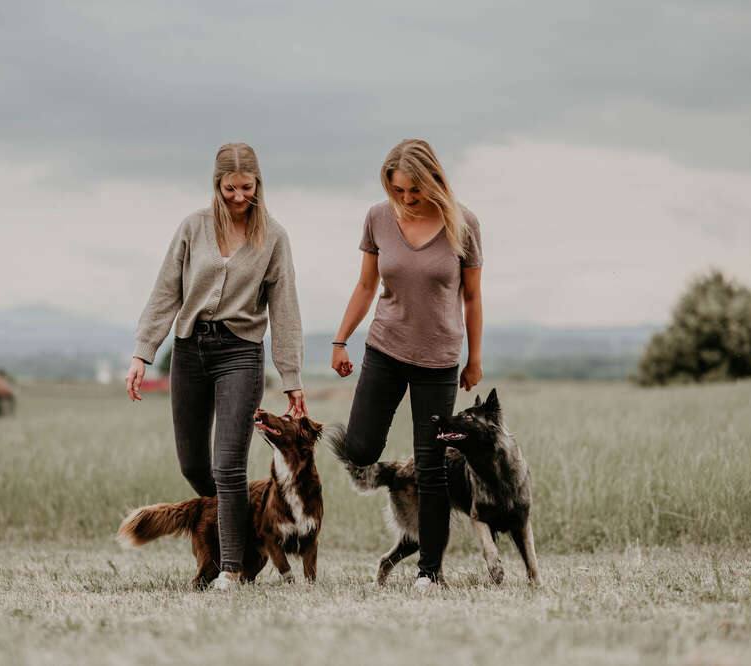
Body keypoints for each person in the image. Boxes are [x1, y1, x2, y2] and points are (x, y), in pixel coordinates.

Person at [125, 142, 307, 591]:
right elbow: (166, 290)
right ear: (217, 184)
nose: (239, 196)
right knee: (193, 465)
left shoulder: (274, 238)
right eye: (230, 188)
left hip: (240, 354)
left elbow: (285, 310)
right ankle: (245, 531)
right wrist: (142, 352)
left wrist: (291, 378)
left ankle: (230, 567)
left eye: (247, 187)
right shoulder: (193, 227)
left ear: (258, 184)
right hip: (190, 351)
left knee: (228, 466)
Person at [332, 139, 483, 591]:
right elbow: (365, 285)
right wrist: (341, 340)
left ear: (434, 181)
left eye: (414, 191)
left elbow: (472, 297)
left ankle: (429, 574)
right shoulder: (378, 217)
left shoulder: (464, 223)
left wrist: (474, 358)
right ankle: (384, 458)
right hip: (384, 349)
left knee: (431, 465)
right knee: (358, 450)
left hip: (437, 361)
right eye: (398, 191)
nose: (406, 200)